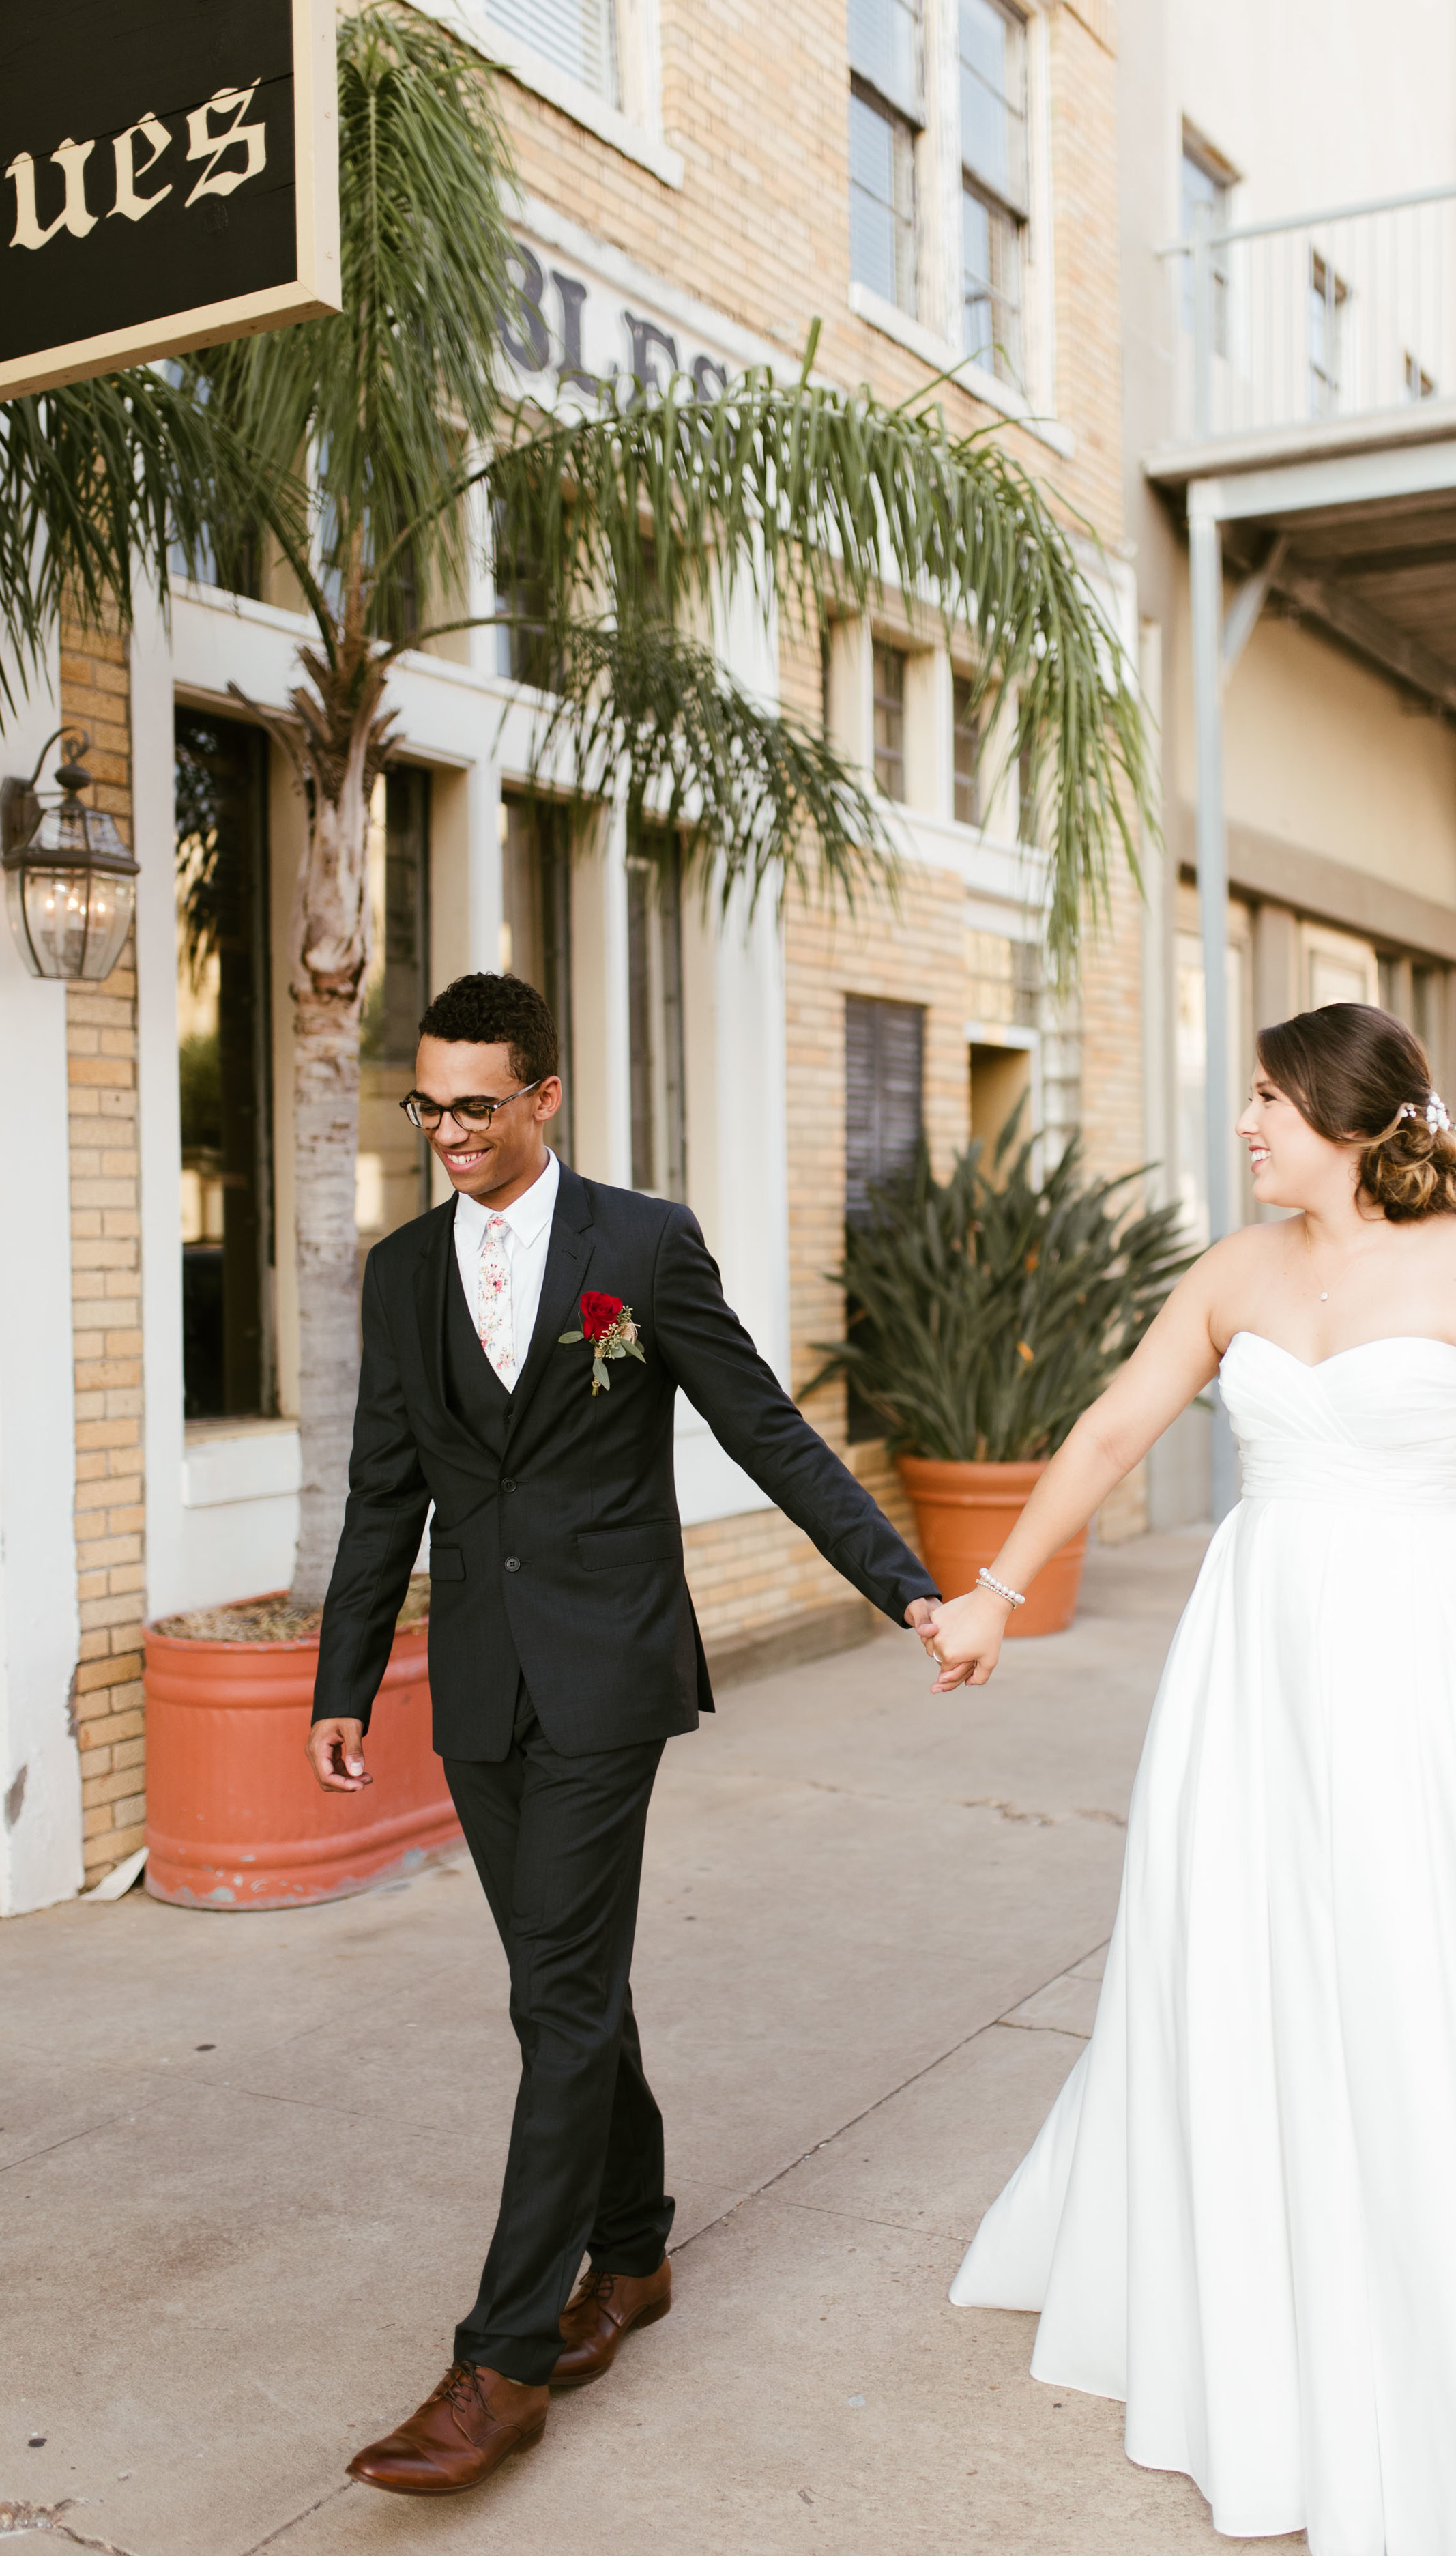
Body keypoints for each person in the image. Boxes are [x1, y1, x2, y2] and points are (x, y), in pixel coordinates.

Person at [926, 1003, 1456, 2554]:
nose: (1244, 1126)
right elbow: (1103, 1430)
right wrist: (996, 1593)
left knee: (1436, 1967)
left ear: (1349, 1120)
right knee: (1242, 1954)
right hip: (1254, 1667)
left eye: (1267, 1101)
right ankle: (1270, 2286)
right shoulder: (1229, 1272)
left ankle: (1453, 2285)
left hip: (1432, 1660)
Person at [307, 971, 938, 2497]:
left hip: (604, 1675)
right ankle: (638, 2251)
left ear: (543, 1097)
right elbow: (384, 1484)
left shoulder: (638, 1246)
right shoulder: (399, 1272)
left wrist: (902, 1585)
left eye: (474, 1103)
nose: (445, 1131)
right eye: (427, 1102)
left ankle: (502, 2358)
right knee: (562, 1978)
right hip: (475, 1678)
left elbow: (764, 1425)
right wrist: (342, 1676)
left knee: (558, 1999)